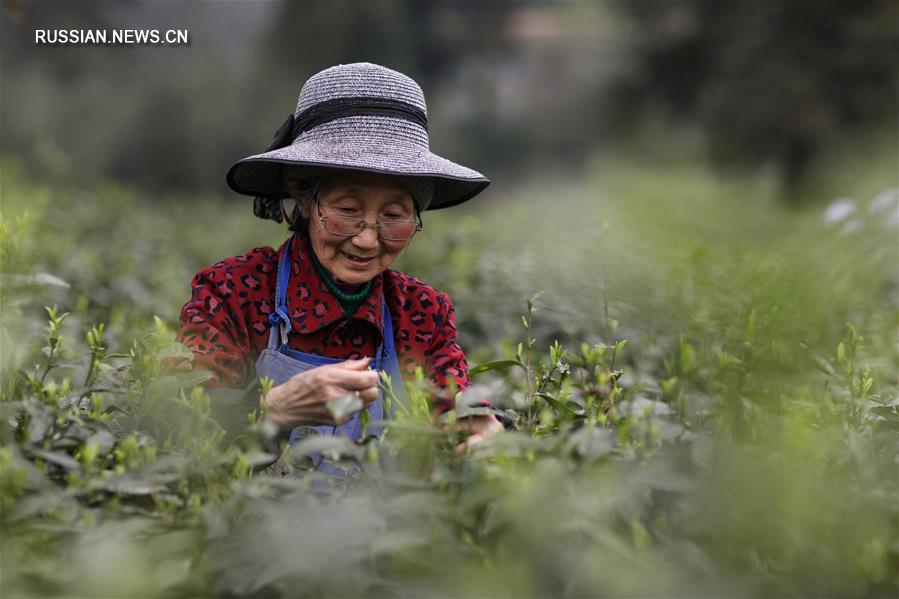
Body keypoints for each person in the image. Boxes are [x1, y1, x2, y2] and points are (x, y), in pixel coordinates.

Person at [177, 63, 502, 455]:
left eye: (394, 215)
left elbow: (459, 409)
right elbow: (178, 426)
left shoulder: (420, 312)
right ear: (303, 198)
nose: (366, 240)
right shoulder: (234, 293)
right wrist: (271, 409)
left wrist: (479, 433)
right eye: (347, 209)